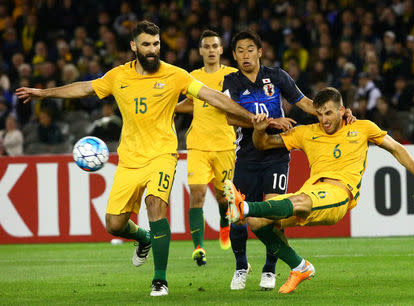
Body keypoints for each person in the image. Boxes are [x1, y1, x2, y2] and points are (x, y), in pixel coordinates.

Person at [16, 21, 255, 297]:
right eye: (146, 45)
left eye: (156, 44)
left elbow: (212, 96)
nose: (152, 50)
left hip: (163, 155)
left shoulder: (175, 75)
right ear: (134, 46)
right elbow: (86, 89)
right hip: (130, 159)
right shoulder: (119, 76)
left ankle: (160, 280)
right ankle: (144, 239)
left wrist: (250, 117)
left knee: (155, 205)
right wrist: (44, 93)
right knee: (114, 225)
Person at [224, 87, 414, 294]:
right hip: (312, 191)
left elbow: (396, 148)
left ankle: (245, 207)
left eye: (328, 113)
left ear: (342, 110)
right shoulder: (307, 132)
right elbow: (263, 144)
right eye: (319, 114)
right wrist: (259, 131)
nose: (324, 119)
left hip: (339, 194)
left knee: (285, 203)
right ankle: (299, 266)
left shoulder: (363, 127)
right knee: (258, 222)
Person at [222, 29, 354, 291]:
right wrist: (270, 121)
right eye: (240, 51)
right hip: (247, 156)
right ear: (234, 56)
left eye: (250, 49)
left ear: (260, 52)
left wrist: (336, 114)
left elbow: (304, 102)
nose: (245, 55)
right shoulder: (232, 82)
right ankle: (240, 266)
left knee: (273, 216)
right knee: (236, 217)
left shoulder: (277, 76)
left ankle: (270, 270)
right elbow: (229, 116)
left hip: (276, 155)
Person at [174, 30, 238, 266]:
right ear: (200, 51)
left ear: (221, 50)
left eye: (215, 46)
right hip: (198, 145)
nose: (211, 50)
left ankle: (223, 225)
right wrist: (169, 108)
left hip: (225, 145)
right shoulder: (193, 77)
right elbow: (190, 104)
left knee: (223, 197)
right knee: (197, 194)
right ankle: (198, 247)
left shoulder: (232, 75)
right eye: (206, 47)